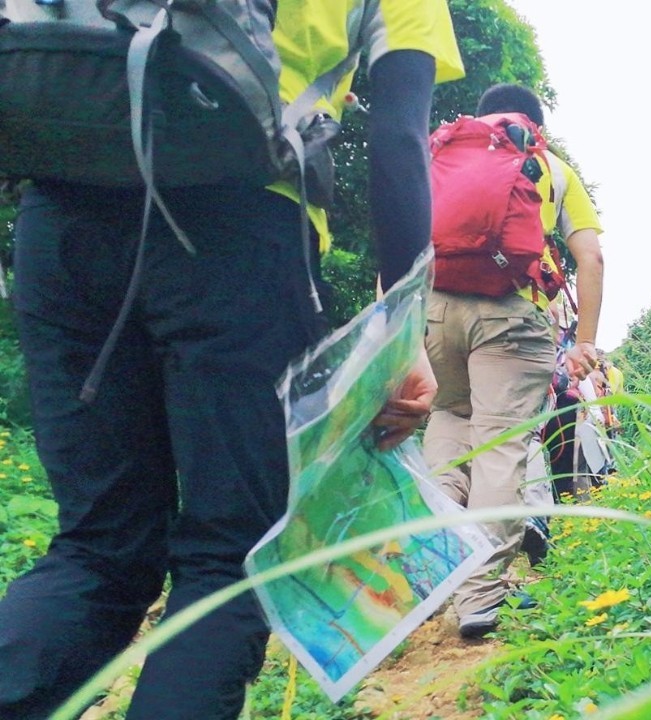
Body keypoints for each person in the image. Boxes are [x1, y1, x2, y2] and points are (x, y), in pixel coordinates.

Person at [0, 2, 463, 718]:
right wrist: (403, 336)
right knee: (231, 559)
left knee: (97, 547)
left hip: (63, 222)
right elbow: (398, 138)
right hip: (240, 233)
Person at [423, 83, 605, 639]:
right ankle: (480, 597)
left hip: (432, 312)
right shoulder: (551, 166)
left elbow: (399, 243)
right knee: (501, 446)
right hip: (510, 316)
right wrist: (585, 343)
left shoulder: (438, 155)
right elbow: (590, 256)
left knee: (450, 427)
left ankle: (430, 571)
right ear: (536, 120)